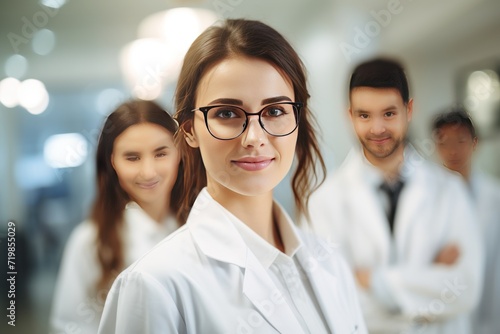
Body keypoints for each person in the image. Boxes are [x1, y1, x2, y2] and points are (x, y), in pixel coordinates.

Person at [98, 19, 367, 334]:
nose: (254, 137)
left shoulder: (328, 261)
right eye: (227, 113)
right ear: (188, 131)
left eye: (275, 111)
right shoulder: (155, 284)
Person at [307, 58, 484, 334]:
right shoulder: (322, 202)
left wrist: (374, 282)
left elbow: (465, 288)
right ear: (349, 115)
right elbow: (331, 302)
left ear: (409, 109)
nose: (377, 128)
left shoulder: (449, 190)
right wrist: (427, 277)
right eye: (364, 115)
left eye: (389, 114)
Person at [50, 100, 184, 334]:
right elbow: (69, 326)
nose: (148, 172)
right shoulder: (90, 240)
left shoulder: (198, 226)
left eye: (161, 153)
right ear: (112, 162)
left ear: (180, 153)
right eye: (132, 158)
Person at [432, 108, 500, 334]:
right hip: (443, 315)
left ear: (475, 142)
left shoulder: (494, 197)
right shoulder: (425, 200)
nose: (453, 150)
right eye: (444, 142)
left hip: (489, 310)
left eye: (460, 141)